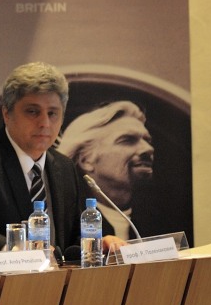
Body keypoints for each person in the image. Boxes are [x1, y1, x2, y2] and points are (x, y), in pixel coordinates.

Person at [0, 62, 124, 265]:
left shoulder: (64, 167)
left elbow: (70, 241)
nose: (45, 123)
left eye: (52, 113)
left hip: (49, 279)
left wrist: (99, 243)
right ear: (7, 113)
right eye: (32, 111)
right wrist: (17, 249)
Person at [57, 101, 155, 241]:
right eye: (127, 140)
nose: (148, 149)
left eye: (147, 140)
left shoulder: (161, 216)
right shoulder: (65, 222)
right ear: (86, 160)